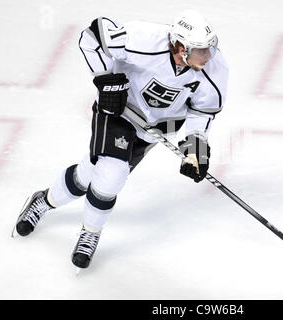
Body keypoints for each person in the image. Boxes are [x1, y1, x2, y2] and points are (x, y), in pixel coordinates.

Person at [12, 9, 229, 269]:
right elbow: (93, 36)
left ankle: (43, 200)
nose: (207, 55)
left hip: (152, 129)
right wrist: (106, 80)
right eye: (199, 50)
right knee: (111, 175)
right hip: (118, 112)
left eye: (208, 48)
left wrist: (196, 145)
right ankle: (90, 234)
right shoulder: (144, 39)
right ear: (179, 46)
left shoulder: (215, 69)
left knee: (87, 177)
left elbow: (202, 111)